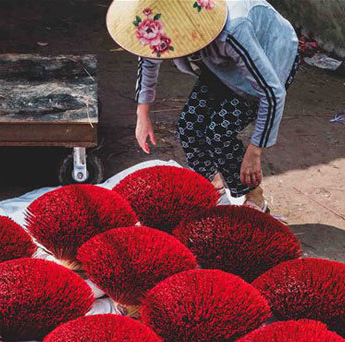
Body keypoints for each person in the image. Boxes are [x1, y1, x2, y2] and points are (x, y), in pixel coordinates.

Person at [107, 0, 299, 212]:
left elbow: (272, 93)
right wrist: (142, 114)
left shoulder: (234, 28)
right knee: (189, 126)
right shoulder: (163, 21)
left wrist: (255, 150)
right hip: (220, 57)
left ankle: (255, 196)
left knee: (219, 132)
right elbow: (150, 56)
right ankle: (212, 189)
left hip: (267, 55)